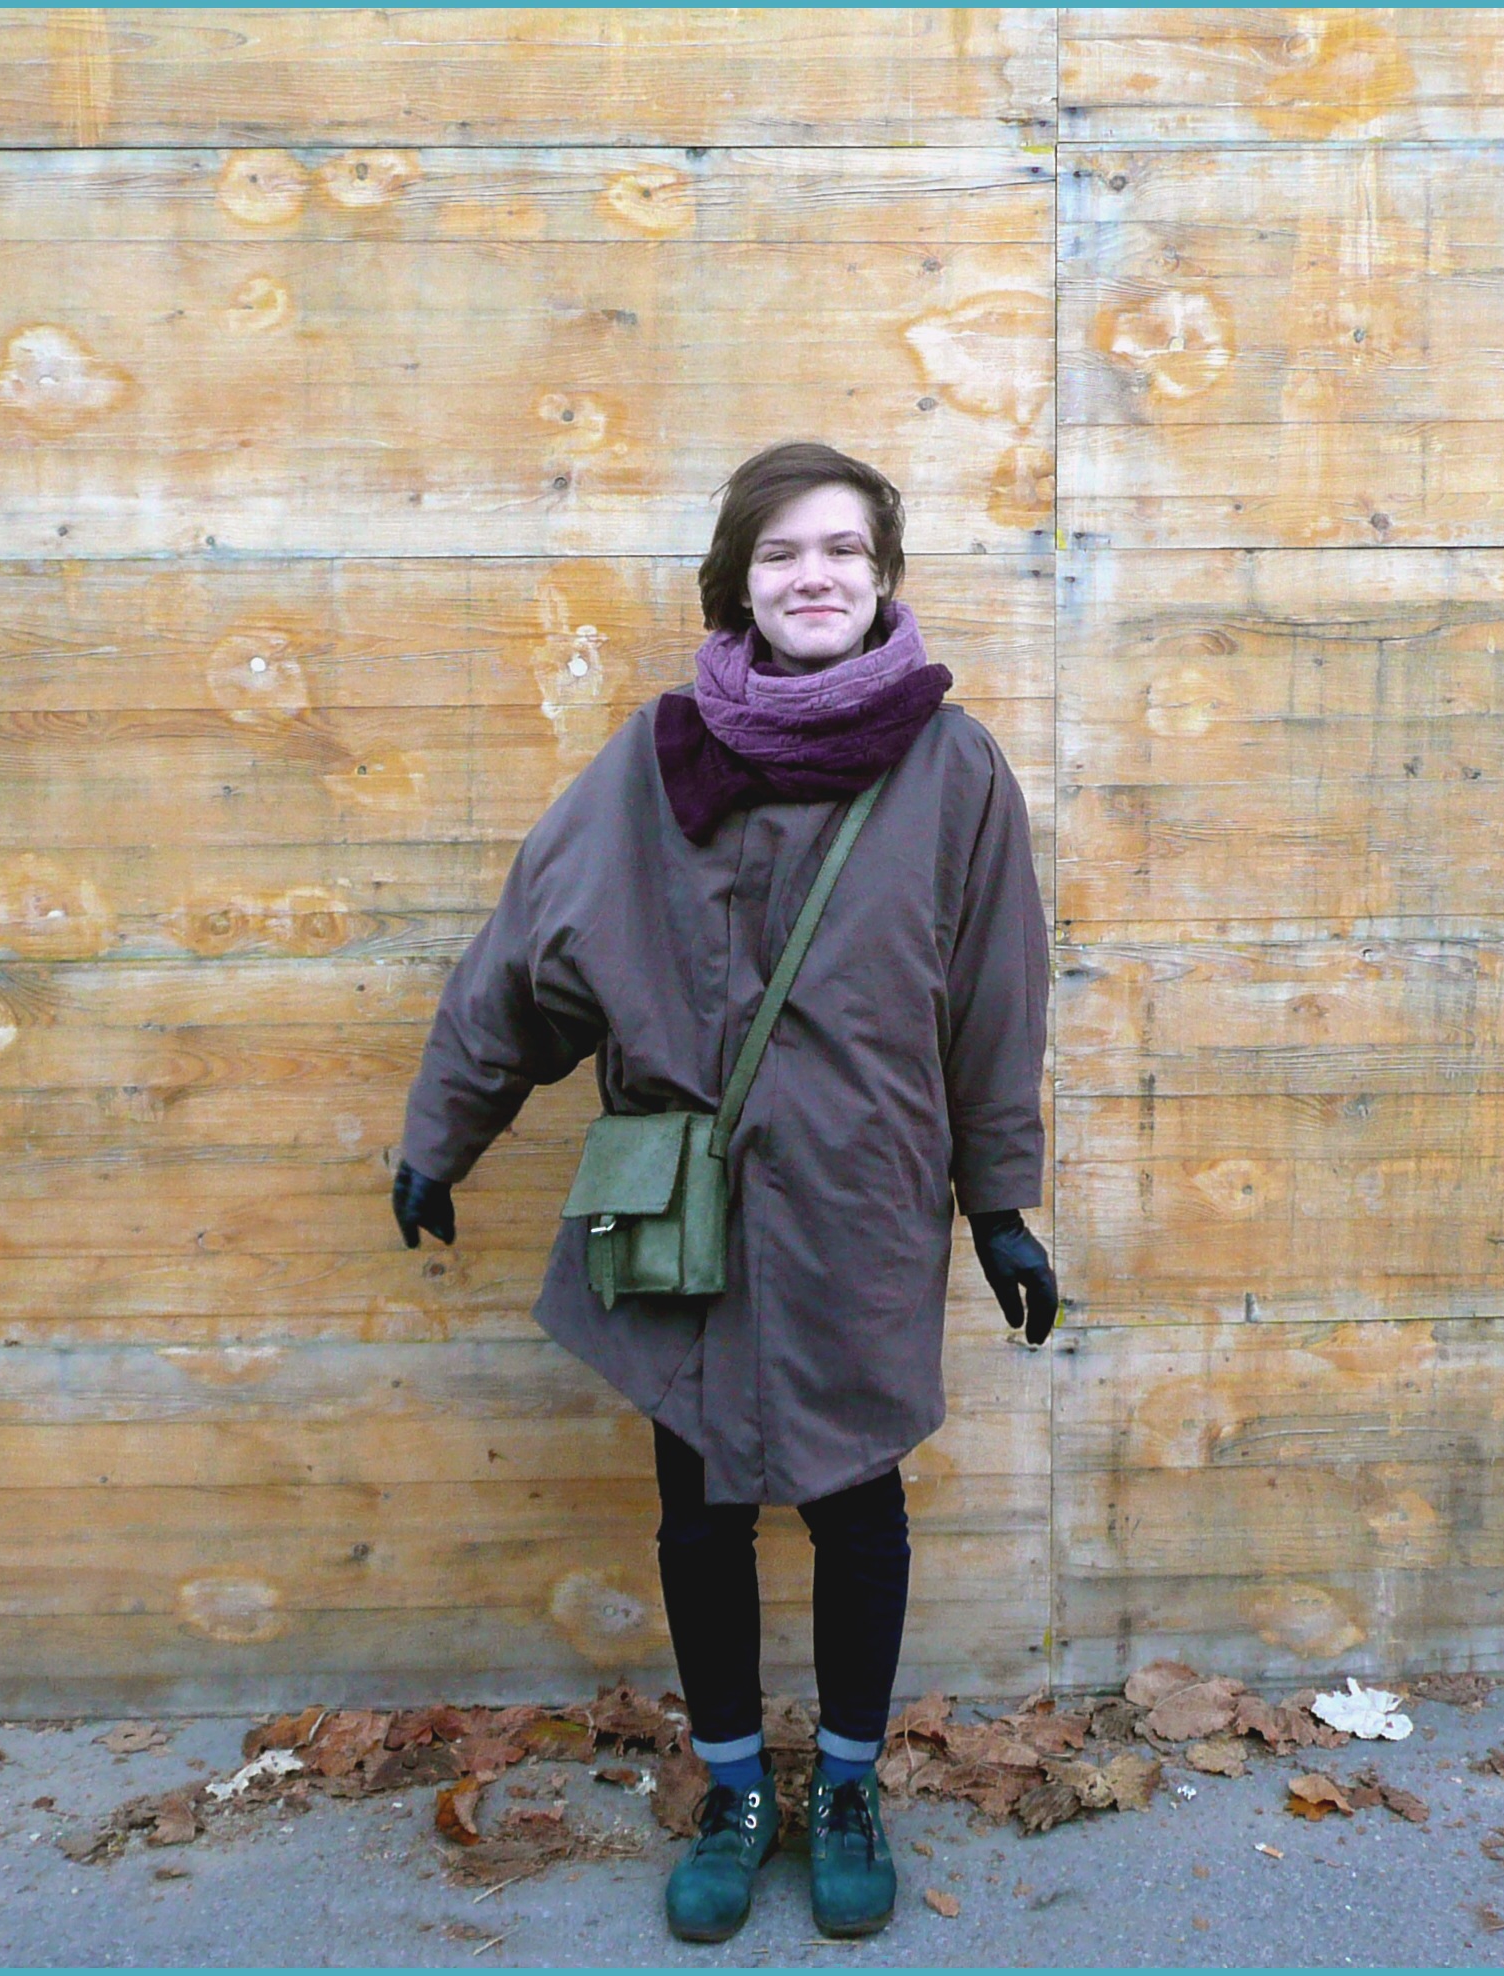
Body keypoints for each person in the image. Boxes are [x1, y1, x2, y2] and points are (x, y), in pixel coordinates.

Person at [391, 439, 1057, 1942]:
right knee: (696, 1507)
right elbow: (531, 955)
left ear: (883, 577)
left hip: (862, 1203)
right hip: (683, 1205)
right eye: (780, 552)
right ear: (737, 583)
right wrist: (446, 1134)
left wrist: (1001, 1208)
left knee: (858, 1501)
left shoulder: (954, 770)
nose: (813, 575)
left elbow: (994, 1006)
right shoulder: (658, 756)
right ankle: (734, 1787)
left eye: (842, 549)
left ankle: (849, 1787)